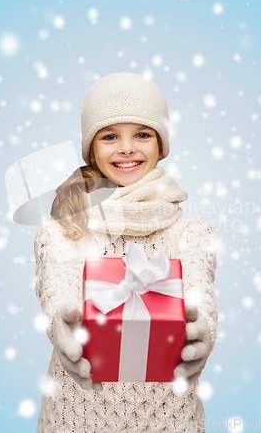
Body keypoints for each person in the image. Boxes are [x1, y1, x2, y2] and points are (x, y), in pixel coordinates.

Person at [34, 72, 218, 432]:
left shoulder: (192, 233)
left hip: (170, 421)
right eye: (110, 136)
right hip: (75, 420)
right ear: (91, 148)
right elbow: (57, 289)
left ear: (162, 145)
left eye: (143, 134)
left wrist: (204, 329)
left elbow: (200, 298)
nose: (127, 148)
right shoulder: (61, 231)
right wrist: (60, 321)